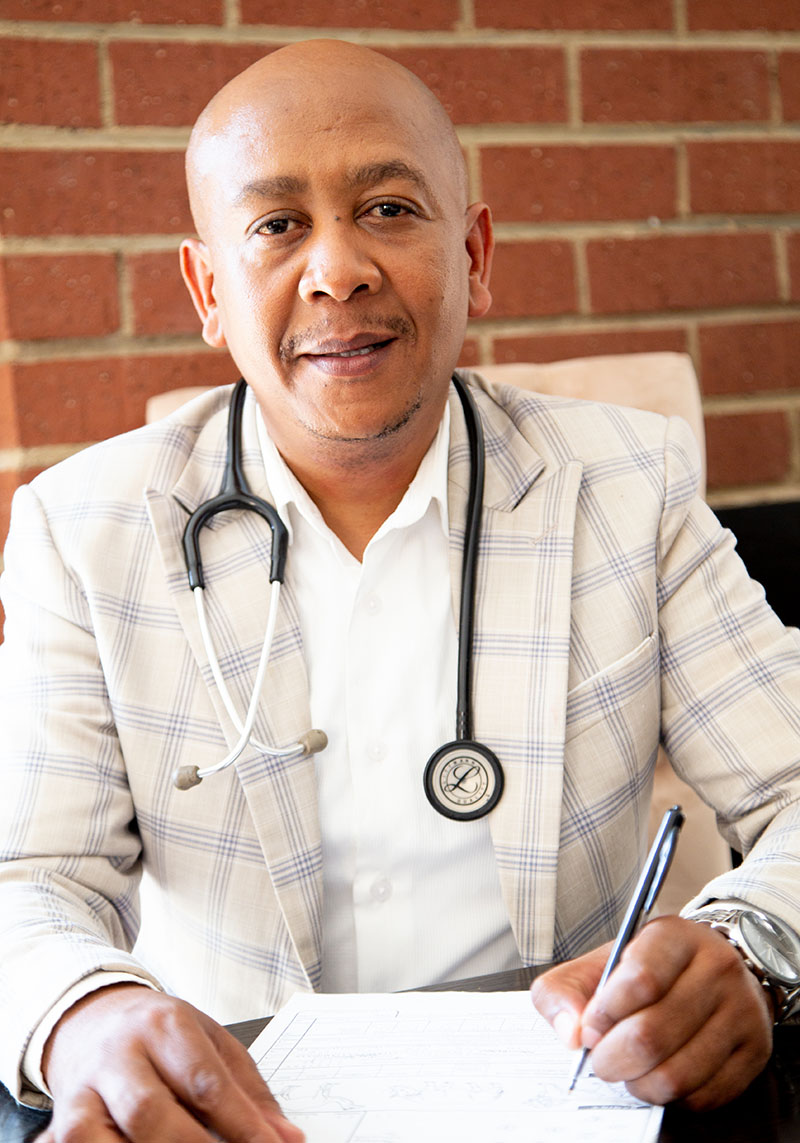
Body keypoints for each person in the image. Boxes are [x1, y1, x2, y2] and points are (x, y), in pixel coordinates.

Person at [0, 37, 798, 1143]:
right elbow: (30, 876)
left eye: (387, 209)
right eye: (277, 225)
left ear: (472, 254)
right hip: (234, 1107)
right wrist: (84, 1014)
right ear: (208, 289)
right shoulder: (82, 530)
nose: (337, 271)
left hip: (566, 1094)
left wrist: (745, 950)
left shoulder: (628, 488)